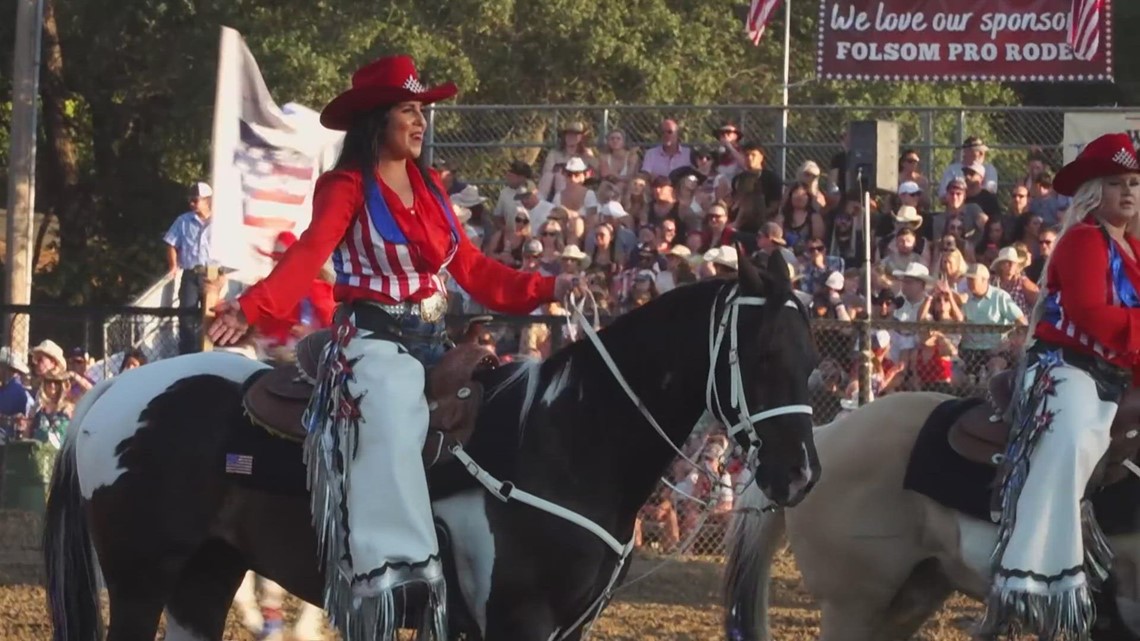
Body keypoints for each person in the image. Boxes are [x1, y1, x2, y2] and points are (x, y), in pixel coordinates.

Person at [207, 55, 579, 640]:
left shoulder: (430, 188)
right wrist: (248, 307)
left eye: (423, 110)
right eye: (409, 109)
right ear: (377, 119)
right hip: (373, 342)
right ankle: (396, 573)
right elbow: (307, 255)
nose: (420, 120)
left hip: (436, 340)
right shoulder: (346, 186)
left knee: (507, 399)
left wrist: (553, 285)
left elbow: (478, 272)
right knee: (394, 407)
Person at [981, 133, 1140, 641]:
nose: (1129, 193)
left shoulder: (1131, 247)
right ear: (1095, 192)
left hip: (1118, 368)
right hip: (1067, 366)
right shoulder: (1083, 241)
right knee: (1075, 439)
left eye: (1134, 183)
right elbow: (1094, 315)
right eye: (1116, 183)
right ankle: (1038, 579)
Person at [165, 181, 215, 354]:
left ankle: (208, 355)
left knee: (211, 317)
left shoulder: (220, 221)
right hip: (190, 274)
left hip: (213, 275)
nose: (192, 204)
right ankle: (187, 354)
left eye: (195, 200)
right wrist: (173, 266)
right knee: (186, 316)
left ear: (207, 200)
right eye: (190, 200)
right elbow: (171, 243)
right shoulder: (183, 220)